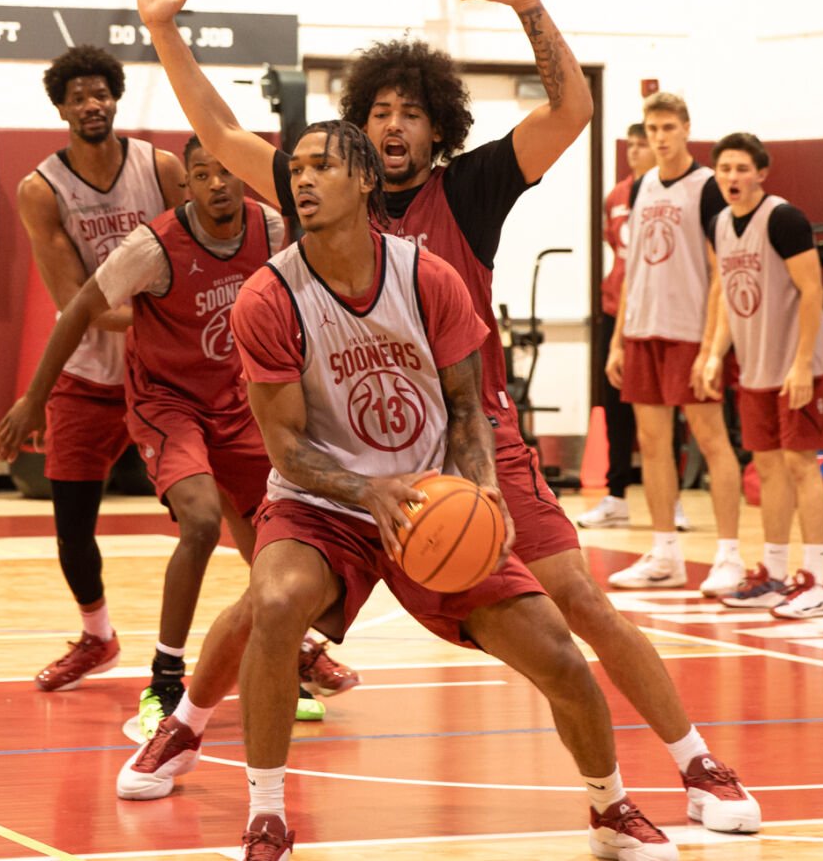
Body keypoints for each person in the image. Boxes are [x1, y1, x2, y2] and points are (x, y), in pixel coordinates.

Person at [124, 0, 759, 835]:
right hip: (348, 456)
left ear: (438, 127)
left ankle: (696, 760)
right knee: (264, 603)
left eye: (411, 112)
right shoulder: (320, 184)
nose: (393, 124)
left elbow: (570, 110)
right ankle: (184, 727)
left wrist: (529, 6)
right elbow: (221, 132)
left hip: (469, 441)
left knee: (579, 600)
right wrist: (162, 29)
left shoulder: (470, 190)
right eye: (379, 110)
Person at [240, 121, 677, 861]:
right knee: (275, 604)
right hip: (323, 504)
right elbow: (284, 445)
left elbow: (467, 408)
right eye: (297, 169)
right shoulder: (269, 295)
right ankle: (267, 815)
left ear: (365, 180)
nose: (301, 179)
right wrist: (365, 489)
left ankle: (610, 807)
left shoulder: (426, 277)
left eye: (321, 166)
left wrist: (482, 486)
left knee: (559, 654)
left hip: (428, 497)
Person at [0, 139, 349, 731]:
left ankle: (283, 660)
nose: (216, 184)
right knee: (202, 521)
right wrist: (34, 398)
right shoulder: (154, 246)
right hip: (167, 404)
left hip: (235, 400)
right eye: (201, 175)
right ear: (186, 184)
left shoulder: (271, 229)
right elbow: (79, 308)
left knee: (281, 533)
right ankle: (163, 680)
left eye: (225, 172)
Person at [17, 44, 186, 692]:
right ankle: (97, 636)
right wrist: (160, 317)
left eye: (100, 93)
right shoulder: (41, 189)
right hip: (88, 375)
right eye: (78, 96)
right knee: (71, 527)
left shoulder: (160, 167)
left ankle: (296, 644)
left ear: (115, 98)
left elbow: (190, 261)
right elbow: (74, 303)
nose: (92, 104)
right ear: (61, 108)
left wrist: (173, 327)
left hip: (166, 375)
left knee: (236, 513)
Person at [606, 91, 748, 597]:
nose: (660, 138)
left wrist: (712, 348)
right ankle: (665, 552)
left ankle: (729, 555)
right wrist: (618, 340)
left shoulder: (707, 186)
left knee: (711, 439)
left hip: (689, 330)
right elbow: (632, 269)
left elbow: (721, 270)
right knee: (651, 444)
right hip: (642, 329)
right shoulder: (641, 186)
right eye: (652, 129)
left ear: (686, 128)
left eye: (668, 128)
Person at [699, 134, 823, 619]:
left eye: (741, 168)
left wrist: (802, 363)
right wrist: (713, 354)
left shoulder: (784, 219)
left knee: (801, 464)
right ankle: (775, 574)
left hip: (798, 364)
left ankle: (817, 580)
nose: (732, 177)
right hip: (755, 365)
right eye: (724, 169)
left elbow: (813, 290)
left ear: (761, 173)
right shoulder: (719, 223)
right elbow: (724, 293)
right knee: (768, 467)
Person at [579, 120, 664, 530]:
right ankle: (616, 496)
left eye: (641, 144)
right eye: (630, 144)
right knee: (615, 407)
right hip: (617, 308)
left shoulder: (669, 192)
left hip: (659, 311)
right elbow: (617, 248)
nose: (634, 151)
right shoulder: (616, 196)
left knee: (662, 409)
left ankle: (671, 500)